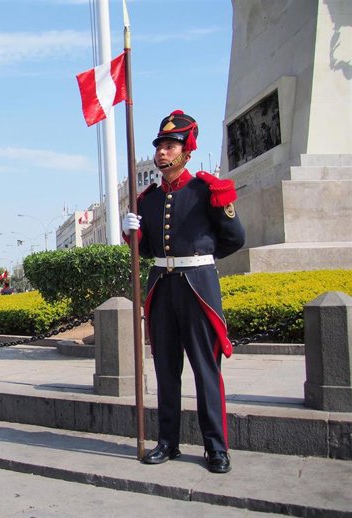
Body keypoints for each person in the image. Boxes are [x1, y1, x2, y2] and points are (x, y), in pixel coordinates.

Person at [123, 110, 245, 474]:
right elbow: (145, 252)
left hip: (198, 288)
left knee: (206, 369)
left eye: (170, 145)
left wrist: (201, 258)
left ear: (187, 151)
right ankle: (168, 441)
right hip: (162, 288)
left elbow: (235, 238)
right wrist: (133, 233)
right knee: (166, 369)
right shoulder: (147, 199)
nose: (162, 152)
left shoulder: (207, 189)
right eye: (160, 145)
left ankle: (216, 447)